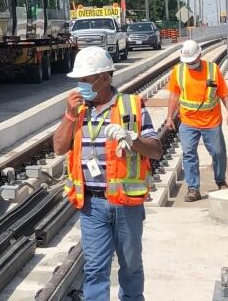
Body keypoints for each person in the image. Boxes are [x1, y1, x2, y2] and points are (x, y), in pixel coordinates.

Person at [54, 46, 162, 301]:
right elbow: (59, 147)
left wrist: (132, 138)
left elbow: (155, 150)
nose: (81, 85)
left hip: (126, 204)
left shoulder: (132, 106)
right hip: (92, 205)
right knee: (94, 270)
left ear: (104, 77)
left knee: (131, 267)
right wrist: (69, 115)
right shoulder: (78, 110)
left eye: (85, 79)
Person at [165, 39, 228, 202]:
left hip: (212, 121)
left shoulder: (212, 70)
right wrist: (169, 117)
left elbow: (224, 93)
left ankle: (220, 180)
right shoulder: (178, 71)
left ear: (199, 55)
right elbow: (174, 94)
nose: (190, 64)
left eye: (193, 61)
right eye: (187, 62)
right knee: (189, 154)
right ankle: (193, 188)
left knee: (218, 152)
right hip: (188, 121)